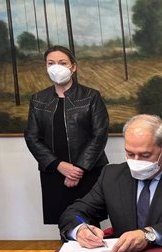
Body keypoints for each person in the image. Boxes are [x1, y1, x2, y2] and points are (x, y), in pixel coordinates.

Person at [59, 114, 162, 252]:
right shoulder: (111, 176)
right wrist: (80, 229)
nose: (136, 161)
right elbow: (75, 212)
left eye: (145, 155)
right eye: (130, 154)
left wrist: (149, 234)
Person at [24, 45, 109, 224]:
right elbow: (32, 137)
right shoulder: (38, 99)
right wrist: (59, 165)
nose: (56, 67)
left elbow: (99, 134)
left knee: (89, 223)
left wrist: (78, 169)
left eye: (62, 63)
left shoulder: (91, 96)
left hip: (87, 170)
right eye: (51, 63)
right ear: (46, 67)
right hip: (54, 172)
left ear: (73, 67)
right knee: (64, 222)